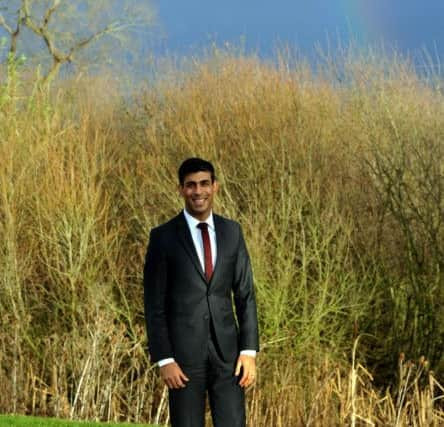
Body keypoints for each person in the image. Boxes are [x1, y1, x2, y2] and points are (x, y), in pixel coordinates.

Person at [143, 157, 260, 427]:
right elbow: (154, 305)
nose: (199, 191)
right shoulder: (162, 237)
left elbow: (245, 295)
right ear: (181, 189)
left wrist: (249, 351)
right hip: (183, 360)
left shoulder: (233, 232)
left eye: (204, 184)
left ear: (215, 186)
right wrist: (165, 359)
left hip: (230, 359)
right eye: (191, 185)